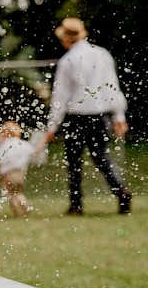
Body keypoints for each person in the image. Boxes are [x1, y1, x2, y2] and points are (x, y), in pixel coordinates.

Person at [42, 17, 132, 215]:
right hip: (101, 115)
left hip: (77, 117)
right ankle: (120, 190)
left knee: (74, 161)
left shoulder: (68, 61)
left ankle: (76, 204)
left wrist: (52, 126)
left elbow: (61, 96)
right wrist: (119, 116)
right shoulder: (102, 54)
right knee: (102, 157)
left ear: (66, 40)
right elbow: (112, 87)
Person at [0, 121, 35, 217]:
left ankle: (18, 213)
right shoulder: (23, 144)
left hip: (9, 174)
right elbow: (33, 152)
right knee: (18, 192)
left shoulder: (6, 145)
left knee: (10, 194)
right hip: (21, 173)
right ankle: (25, 206)